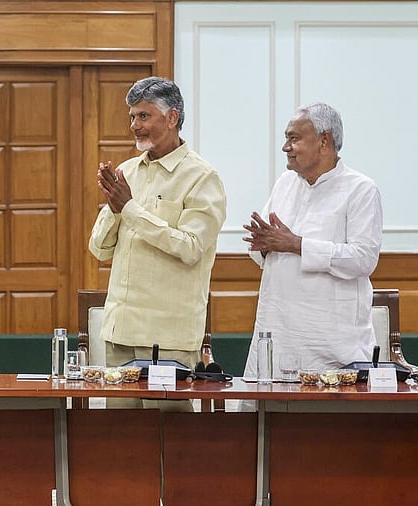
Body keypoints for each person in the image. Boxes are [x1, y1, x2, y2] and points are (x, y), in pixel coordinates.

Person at [88, 76, 226, 410]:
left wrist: (131, 209)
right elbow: (99, 249)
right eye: (132, 117)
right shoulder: (128, 171)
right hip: (120, 332)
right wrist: (113, 206)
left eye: (144, 116)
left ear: (172, 118)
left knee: (170, 444)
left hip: (168, 337)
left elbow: (191, 248)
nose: (135, 125)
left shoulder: (201, 177)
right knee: (118, 443)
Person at [242, 102, 383, 380]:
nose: (285, 147)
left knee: (327, 421)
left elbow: (363, 259)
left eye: (294, 138)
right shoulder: (285, 183)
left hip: (332, 343)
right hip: (278, 333)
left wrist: (296, 244)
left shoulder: (360, 189)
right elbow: (267, 247)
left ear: (324, 141)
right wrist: (264, 245)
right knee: (264, 419)